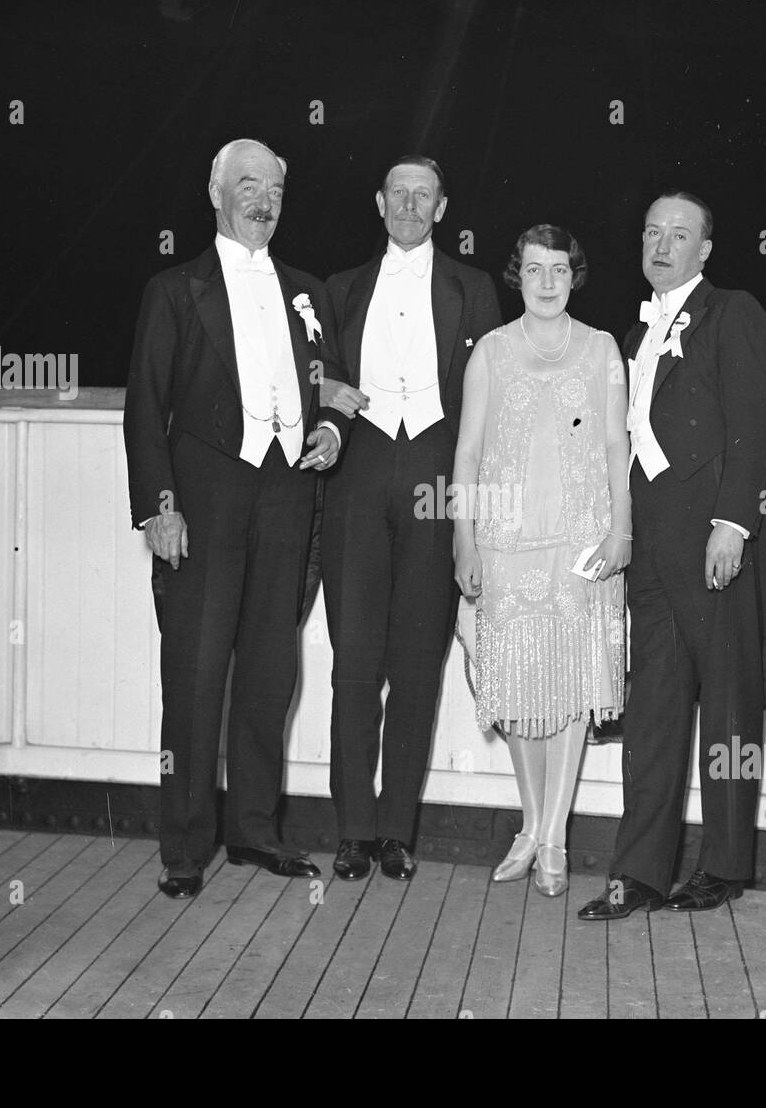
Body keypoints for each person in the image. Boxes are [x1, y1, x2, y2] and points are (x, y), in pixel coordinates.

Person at [123, 138, 351, 899]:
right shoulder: (174, 289)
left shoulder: (308, 290)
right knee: (193, 675)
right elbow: (143, 410)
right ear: (215, 192)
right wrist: (160, 510)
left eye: (276, 188)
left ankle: (256, 829)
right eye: (248, 184)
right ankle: (185, 847)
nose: (263, 199)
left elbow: (333, 387)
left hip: (287, 494)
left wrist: (331, 428)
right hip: (206, 498)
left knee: (267, 670)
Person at [578, 191, 766, 921]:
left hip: (719, 533)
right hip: (655, 544)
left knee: (728, 701)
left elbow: (753, 425)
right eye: (652, 232)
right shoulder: (634, 332)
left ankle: (725, 864)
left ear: (705, 251)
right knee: (655, 707)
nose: (662, 245)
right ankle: (640, 871)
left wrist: (732, 524)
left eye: (680, 235)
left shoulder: (734, 312)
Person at [320, 155, 501, 881]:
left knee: (419, 666)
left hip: (438, 474)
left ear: (442, 207)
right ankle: (352, 829)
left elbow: (487, 411)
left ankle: (397, 829)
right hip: (359, 476)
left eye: (422, 195)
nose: (409, 204)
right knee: (354, 665)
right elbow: (313, 379)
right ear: (379, 201)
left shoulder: (475, 289)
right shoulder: (338, 290)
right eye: (398, 192)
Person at [452, 225, 629, 897]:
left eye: (559, 269)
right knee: (519, 693)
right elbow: (467, 452)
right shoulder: (491, 352)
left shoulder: (602, 349)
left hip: (582, 541)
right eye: (534, 270)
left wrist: (622, 530)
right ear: (516, 276)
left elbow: (617, 444)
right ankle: (529, 824)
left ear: (574, 275)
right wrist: (462, 537)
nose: (547, 282)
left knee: (572, 689)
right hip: (506, 540)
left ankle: (554, 836)